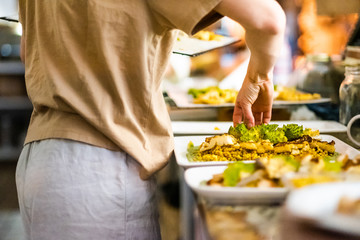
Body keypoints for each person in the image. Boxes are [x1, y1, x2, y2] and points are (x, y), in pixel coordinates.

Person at [16, 0, 285, 239]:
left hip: (41, 160)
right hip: (101, 169)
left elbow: (27, 52)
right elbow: (269, 20)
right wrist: (257, 78)